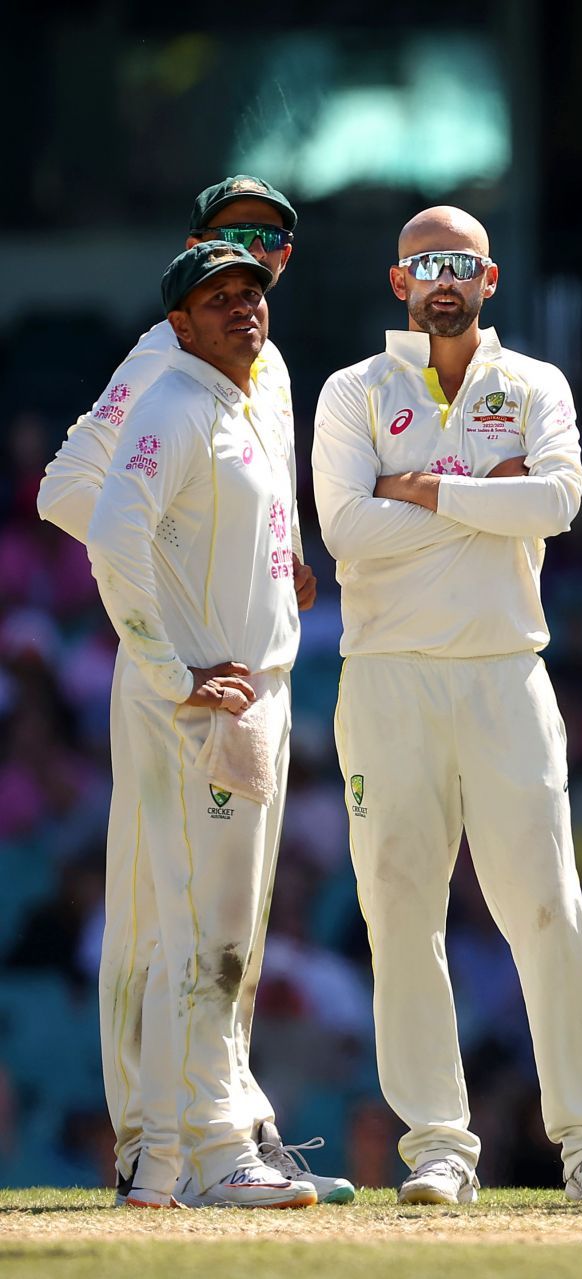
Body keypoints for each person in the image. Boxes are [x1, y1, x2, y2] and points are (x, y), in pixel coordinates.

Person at [310, 206, 582, 1205]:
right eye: (424, 265)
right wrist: (477, 496)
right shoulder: (353, 391)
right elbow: (344, 530)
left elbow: (556, 503)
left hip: (504, 671)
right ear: (398, 281)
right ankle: (440, 1149)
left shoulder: (533, 384)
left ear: (490, 278)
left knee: (548, 906)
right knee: (401, 914)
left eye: (458, 264)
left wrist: (419, 491)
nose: (441, 280)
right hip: (388, 675)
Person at [36, 175, 349, 1208]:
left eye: (268, 253)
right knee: (169, 923)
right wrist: (173, 615)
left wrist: (273, 555)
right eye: (228, 258)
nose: (251, 275)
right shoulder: (163, 365)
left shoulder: (264, 367)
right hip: (190, 681)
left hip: (251, 679)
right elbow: (74, 493)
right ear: (187, 278)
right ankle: (164, 1147)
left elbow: (249, 491)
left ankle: (210, 1134)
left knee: (229, 925)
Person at [85, 241, 314, 1208]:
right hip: (200, 708)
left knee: (223, 933)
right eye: (218, 299)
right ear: (180, 323)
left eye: (252, 293)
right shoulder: (175, 402)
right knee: (200, 935)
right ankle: (209, 1156)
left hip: (245, 699)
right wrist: (170, 667)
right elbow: (105, 527)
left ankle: (171, 1165)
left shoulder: (245, 397)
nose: (243, 309)